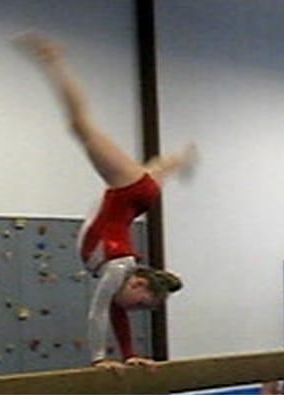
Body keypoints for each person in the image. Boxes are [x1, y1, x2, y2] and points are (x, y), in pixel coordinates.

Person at [13, 32, 198, 373]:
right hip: (128, 192)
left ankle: (177, 160)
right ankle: (53, 58)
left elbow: (113, 312)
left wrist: (129, 356)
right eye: (140, 304)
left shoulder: (118, 276)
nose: (134, 311)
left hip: (136, 201)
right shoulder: (116, 268)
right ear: (138, 283)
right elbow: (97, 312)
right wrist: (99, 358)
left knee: (154, 169)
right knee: (80, 126)